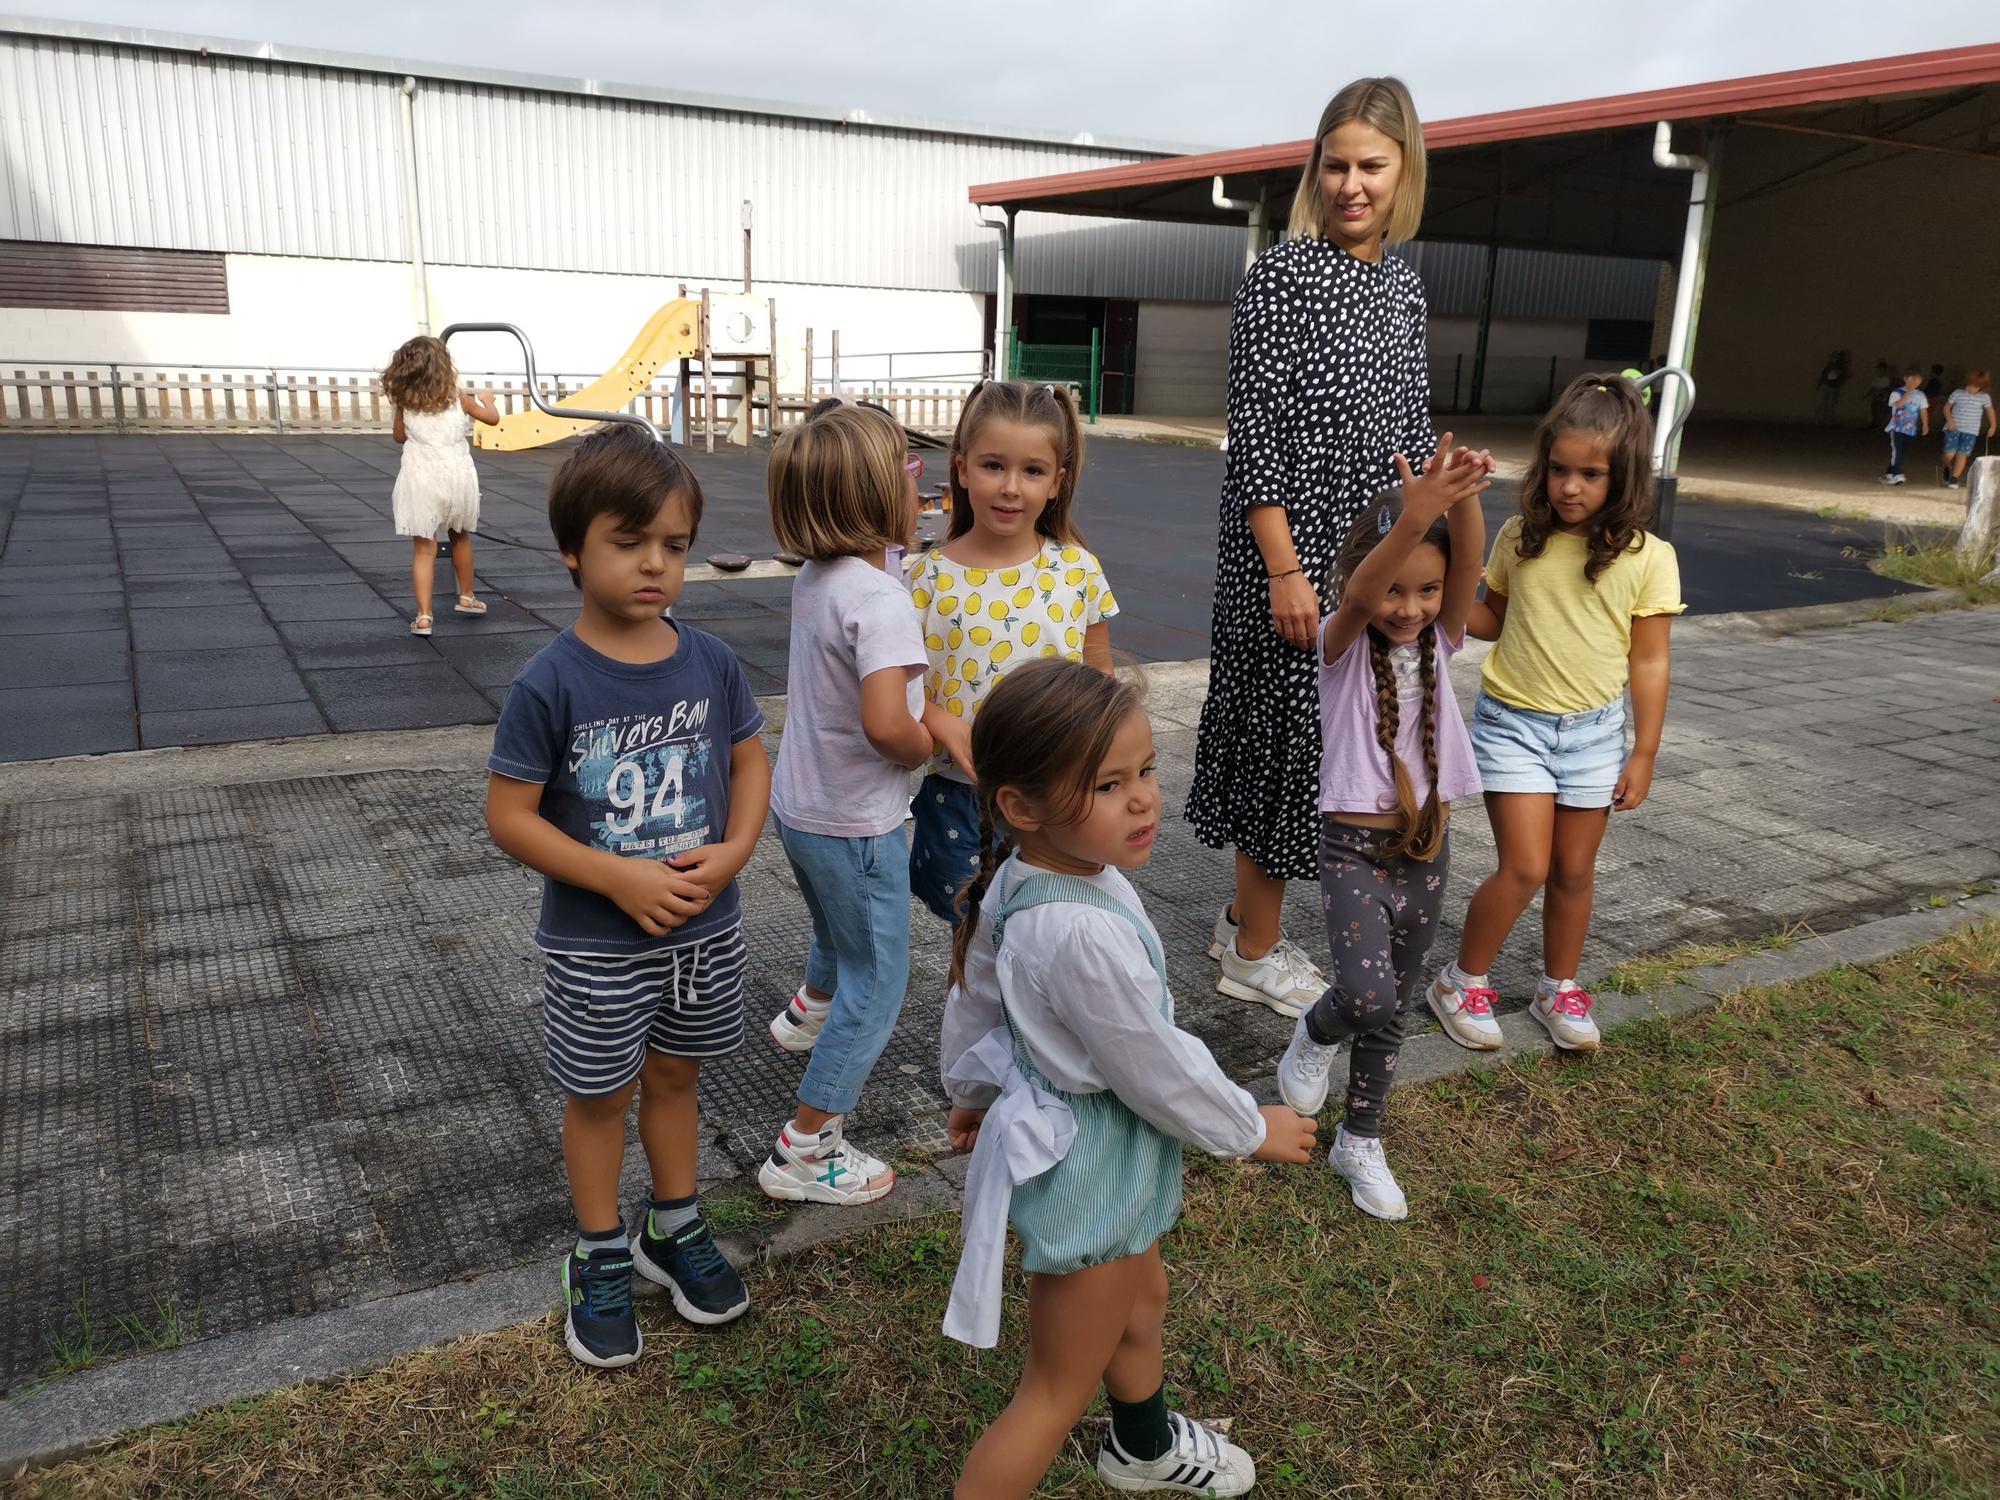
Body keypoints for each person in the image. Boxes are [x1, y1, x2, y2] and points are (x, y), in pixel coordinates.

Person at [939, 659, 1318, 1499]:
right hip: (1093, 1160)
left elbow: (976, 994)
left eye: (1145, 771)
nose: (1144, 798)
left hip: (1108, 1147)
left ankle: (1142, 1446)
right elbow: (1151, 1064)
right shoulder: (1077, 930)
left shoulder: (1039, 872)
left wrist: (968, 1092)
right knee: (1050, 1394)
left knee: (1142, 1298)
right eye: (1109, 785)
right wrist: (1248, 1128)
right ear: (1021, 807)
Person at [1187, 77, 1487, 1021]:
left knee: (1338, 734)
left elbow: (1406, 427)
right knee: (1286, 745)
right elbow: (1258, 434)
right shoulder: (1281, 275)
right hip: (1287, 558)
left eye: (1373, 165)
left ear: (1407, 173)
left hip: (1373, 550)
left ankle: (1246, 914)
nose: (1353, 184)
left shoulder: (1403, 282)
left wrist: (1435, 512)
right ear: (1313, 170)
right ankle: (1255, 952)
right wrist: (1284, 569)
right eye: (1337, 163)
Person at [485, 425, 771, 1368]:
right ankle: (601, 1247)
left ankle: (673, 1224)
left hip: (704, 931)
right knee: (601, 1091)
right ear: (572, 548)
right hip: (599, 944)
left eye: (676, 545)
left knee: (680, 1076)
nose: (656, 564)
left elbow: (747, 758)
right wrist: (617, 876)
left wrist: (734, 851)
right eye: (629, 541)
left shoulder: (711, 661)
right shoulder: (550, 682)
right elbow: (511, 816)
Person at [1428, 376, 1682, 1055]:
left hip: (1595, 734)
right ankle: (1460, 981)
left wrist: (1645, 752)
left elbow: (1649, 662)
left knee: (1575, 870)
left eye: (1591, 474)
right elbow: (1493, 618)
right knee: (1527, 866)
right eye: (1561, 470)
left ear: (1623, 476)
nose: (1571, 487)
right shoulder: (1522, 537)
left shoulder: (1649, 559)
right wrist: (1441, 608)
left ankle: (1557, 986)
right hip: (1514, 724)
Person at [1274, 435, 1485, 1221]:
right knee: (1365, 994)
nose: (1411, 607)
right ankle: (1314, 1029)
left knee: (1393, 1008)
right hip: (1353, 848)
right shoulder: (1341, 644)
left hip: (1426, 847)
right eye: (1398, 590)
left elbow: (1466, 566)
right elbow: (1362, 595)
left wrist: (1460, 497)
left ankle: (1360, 1137)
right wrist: (1411, 519)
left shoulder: (1441, 637)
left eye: (1424, 591)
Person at [760, 403, 932, 1204]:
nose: (919, 474)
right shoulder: (882, 601)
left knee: (837, 928)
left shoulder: (823, 577)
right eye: (904, 464)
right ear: (870, 496)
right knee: (881, 975)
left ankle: (806, 1013)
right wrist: (935, 742)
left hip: (803, 809)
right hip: (860, 822)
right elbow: (888, 726)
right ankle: (806, 1148)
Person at [905, 379, 1117, 927]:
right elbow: (901, 688)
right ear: (961, 468)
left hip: (1057, 790)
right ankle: (977, 1014)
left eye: (1033, 471)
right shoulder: (926, 579)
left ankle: (1035, 1016)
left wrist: (1105, 763)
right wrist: (939, 721)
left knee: (1056, 923)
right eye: (993, 465)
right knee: (971, 929)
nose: (1010, 488)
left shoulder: (1078, 570)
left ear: (1057, 483)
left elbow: (1100, 677)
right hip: (960, 793)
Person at [381, 335, 500, 636]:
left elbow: (399, 437)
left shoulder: (406, 403)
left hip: (421, 478)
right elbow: (493, 418)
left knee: (424, 548)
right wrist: (487, 400)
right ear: (444, 368)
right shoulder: (458, 399)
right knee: (460, 536)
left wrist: (404, 413)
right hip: (456, 476)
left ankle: (424, 617)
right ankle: (467, 597)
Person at [1941, 370, 1995, 490]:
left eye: (1975, 386)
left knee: (1962, 454)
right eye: (1969, 385)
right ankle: (1946, 466)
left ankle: (1954, 478)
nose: (1971, 388)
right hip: (1953, 428)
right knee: (1949, 453)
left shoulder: (1985, 398)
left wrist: (1993, 426)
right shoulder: (1958, 393)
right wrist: (1949, 420)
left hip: (1971, 430)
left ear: (1981, 388)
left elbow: (1990, 411)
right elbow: (1946, 407)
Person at [1882, 368, 1929, 486]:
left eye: (1917, 380)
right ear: (1905, 379)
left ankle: (1890, 471)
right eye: (1912, 379)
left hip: (1911, 428)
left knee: (1903, 451)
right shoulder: (1897, 392)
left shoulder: (1921, 395)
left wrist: (1925, 425)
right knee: (1897, 450)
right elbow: (1898, 404)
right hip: (1897, 427)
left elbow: (1923, 410)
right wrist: (1909, 392)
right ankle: (1898, 474)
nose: (1915, 382)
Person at [1814, 349, 1848, 426]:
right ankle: (1819, 420)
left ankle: (1827, 421)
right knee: (1821, 403)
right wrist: (1820, 383)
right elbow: (1824, 375)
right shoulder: (1829, 365)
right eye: (1834, 357)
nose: (1835, 358)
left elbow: (1840, 376)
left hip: (1832, 387)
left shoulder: (1840, 366)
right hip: (1826, 385)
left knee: (1829, 405)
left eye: (1836, 357)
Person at [1867, 360, 1894, 433]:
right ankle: (1875, 423)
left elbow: (1886, 388)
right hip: (1876, 397)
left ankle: (1880, 425)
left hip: (1882, 398)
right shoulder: (1876, 379)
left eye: (1881, 369)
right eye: (1879, 369)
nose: (1880, 371)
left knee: (1881, 411)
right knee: (1874, 410)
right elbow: (1873, 388)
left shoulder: (1886, 379)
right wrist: (1867, 394)